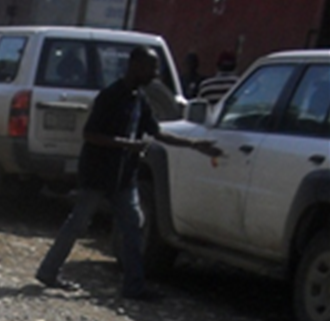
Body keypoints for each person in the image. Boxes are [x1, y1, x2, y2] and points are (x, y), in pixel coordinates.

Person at [35, 46, 221, 301]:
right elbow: (90, 135)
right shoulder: (110, 96)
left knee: (134, 228)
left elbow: (156, 132)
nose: (154, 73)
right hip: (98, 174)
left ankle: (134, 287)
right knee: (78, 224)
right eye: (151, 67)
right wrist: (126, 144)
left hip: (124, 178)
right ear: (135, 65)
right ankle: (48, 271)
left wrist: (194, 144)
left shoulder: (139, 99)